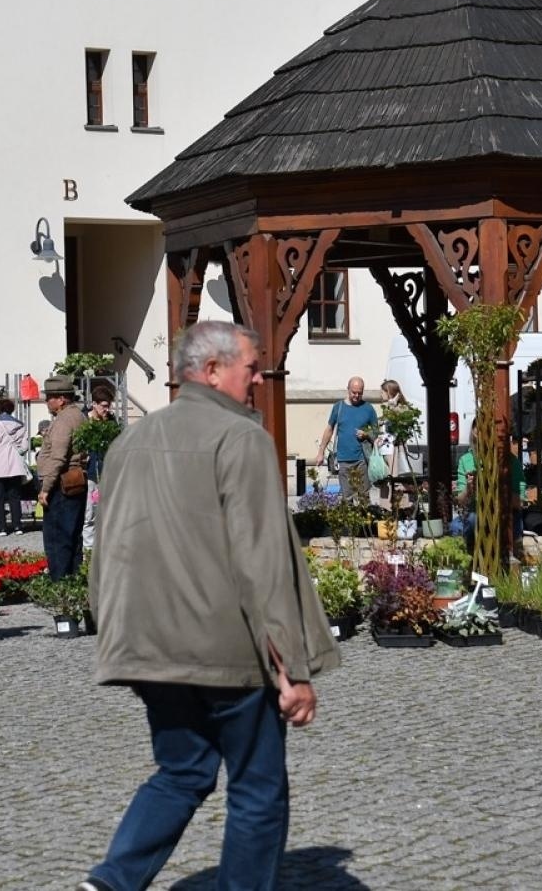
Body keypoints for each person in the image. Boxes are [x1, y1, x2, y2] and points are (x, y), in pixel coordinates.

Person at [83, 321, 340, 891]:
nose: (258, 378)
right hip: (227, 652)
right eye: (250, 367)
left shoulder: (130, 440)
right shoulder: (241, 438)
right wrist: (291, 670)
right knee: (257, 787)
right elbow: (263, 563)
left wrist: (113, 631)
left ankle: (111, 883)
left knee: (182, 772)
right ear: (212, 370)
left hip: (151, 647)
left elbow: (108, 548)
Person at [36, 374, 87, 579]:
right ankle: (73, 583)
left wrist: (46, 488)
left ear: (62, 399)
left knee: (57, 539)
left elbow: (58, 457)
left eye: (50, 397)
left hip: (61, 485)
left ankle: (60, 586)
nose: (47, 401)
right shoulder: (79, 415)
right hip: (75, 481)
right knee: (73, 537)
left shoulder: (65, 420)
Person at [313, 377, 377, 503]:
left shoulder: (368, 408)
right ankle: (350, 522)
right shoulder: (339, 407)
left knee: (364, 496)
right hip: (343, 460)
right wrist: (321, 452)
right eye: (354, 392)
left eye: (360, 393)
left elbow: (377, 432)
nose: (356, 395)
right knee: (347, 498)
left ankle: (365, 522)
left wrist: (367, 434)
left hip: (362, 459)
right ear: (347, 390)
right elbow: (329, 429)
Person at [0, 397, 29, 537]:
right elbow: (24, 447)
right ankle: (17, 526)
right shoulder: (20, 424)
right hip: (14, 464)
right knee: (14, 496)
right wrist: (16, 452)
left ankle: (1, 527)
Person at [80, 382, 118, 551]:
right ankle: (88, 549)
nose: (107, 409)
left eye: (108, 406)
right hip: (88, 472)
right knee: (89, 513)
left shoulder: (110, 421)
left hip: (107, 472)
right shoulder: (83, 420)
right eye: (103, 406)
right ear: (94, 404)